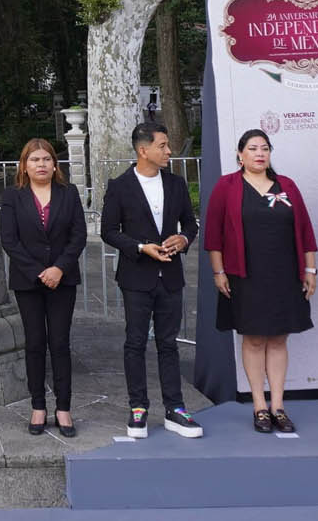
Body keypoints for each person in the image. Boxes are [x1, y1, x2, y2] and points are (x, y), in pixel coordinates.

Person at [203, 130, 318, 435]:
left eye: (264, 148)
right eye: (252, 148)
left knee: (279, 338)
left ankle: (278, 406)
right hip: (245, 275)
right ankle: (259, 406)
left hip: (284, 275)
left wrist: (311, 270)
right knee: (254, 339)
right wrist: (218, 272)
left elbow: (305, 230)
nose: (259, 153)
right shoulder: (226, 186)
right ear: (239, 154)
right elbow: (213, 235)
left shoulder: (287, 186)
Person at [100, 120, 204, 439]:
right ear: (142, 150)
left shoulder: (175, 184)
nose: (169, 151)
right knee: (135, 342)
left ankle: (175, 408)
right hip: (136, 277)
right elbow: (108, 232)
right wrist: (141, 248)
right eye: (162, 145)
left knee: (168, 343)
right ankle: (138, 408)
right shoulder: (119, 186)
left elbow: (190, 223)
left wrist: (184, 240)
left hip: (171, 276)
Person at [0, 138, 85, 436]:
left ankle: (63, 408)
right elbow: (9, 240)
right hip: (28, 281)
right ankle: (38, 405)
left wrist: (59, 268)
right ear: (24, 165)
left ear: (54, 164)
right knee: (34, 343)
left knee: (60, 343)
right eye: (34, 160)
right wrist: (39, 272)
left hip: (63, 279)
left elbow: (78, 236)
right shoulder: (13, 196)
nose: (41, 164)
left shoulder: (69, 193)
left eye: (46, 159)